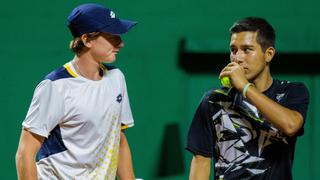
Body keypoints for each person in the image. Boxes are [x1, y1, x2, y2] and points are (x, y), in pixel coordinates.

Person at [16, 3, 137, 180]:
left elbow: (118, 139)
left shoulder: (116, 77)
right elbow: (24, 154)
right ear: (87, 39)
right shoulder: (55, 86)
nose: (121, 43)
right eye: (112, 36)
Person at [187, 17, 309, 180]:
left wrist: (245, 87)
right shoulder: (213, 100)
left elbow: (291, 125)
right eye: (233, 50)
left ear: (269, 54)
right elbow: (201, 163)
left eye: (247, 49)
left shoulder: (292, 91)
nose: (237, 58)